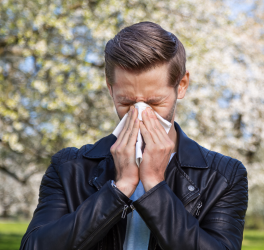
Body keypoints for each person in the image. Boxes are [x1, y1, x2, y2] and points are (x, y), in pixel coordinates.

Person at [20, 21, 248, 250]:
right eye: (127, 102)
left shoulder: (223, 176)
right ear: (110, 89)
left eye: (154, 102)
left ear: (181, 85)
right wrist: (119, 190)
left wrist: (155, 186)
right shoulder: (69, 167)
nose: (139, 114)